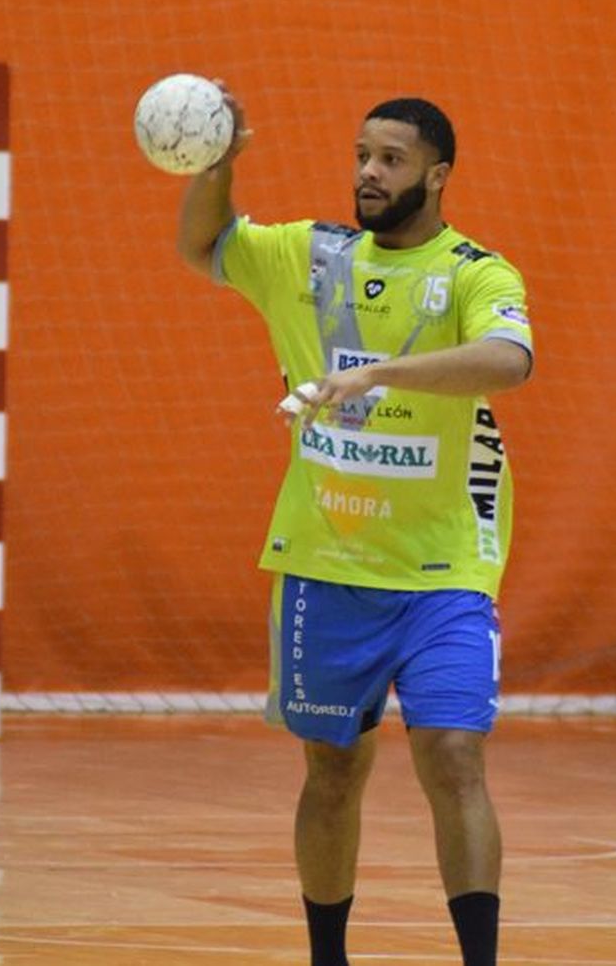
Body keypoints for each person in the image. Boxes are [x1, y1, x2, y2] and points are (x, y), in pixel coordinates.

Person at [175, 82, 533, 966]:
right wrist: (217, 165)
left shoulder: (475, 272)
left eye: (391, 159)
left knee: (453, 755)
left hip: (443, 568)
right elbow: (203, 245)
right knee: (333, 772)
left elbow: (509, 360)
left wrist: (377, 375)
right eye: (362, 156)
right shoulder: (310, 255)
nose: (369, 173)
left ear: (438, 175)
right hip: (327, 561)